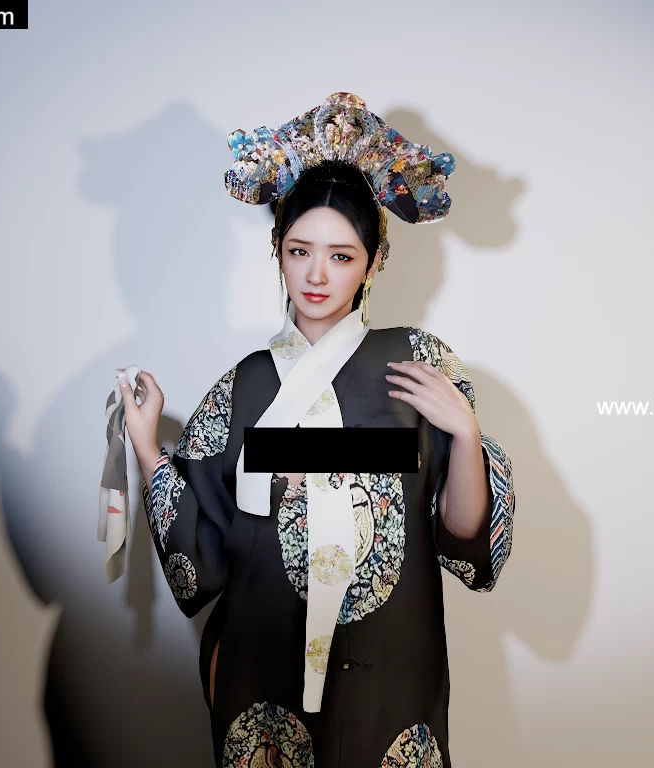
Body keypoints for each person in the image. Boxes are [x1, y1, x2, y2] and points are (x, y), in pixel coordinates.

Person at [118, 93, 516, 768]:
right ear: (277, 249)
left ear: (374, 261)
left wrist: (468, 436)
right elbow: (201, 555)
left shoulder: (418, 364)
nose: (316, 275)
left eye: (341, 256)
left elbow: (465, 538)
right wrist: (149, 447)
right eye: (300, 250)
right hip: (263, 666)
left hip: (393, 668)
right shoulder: (245, 386)